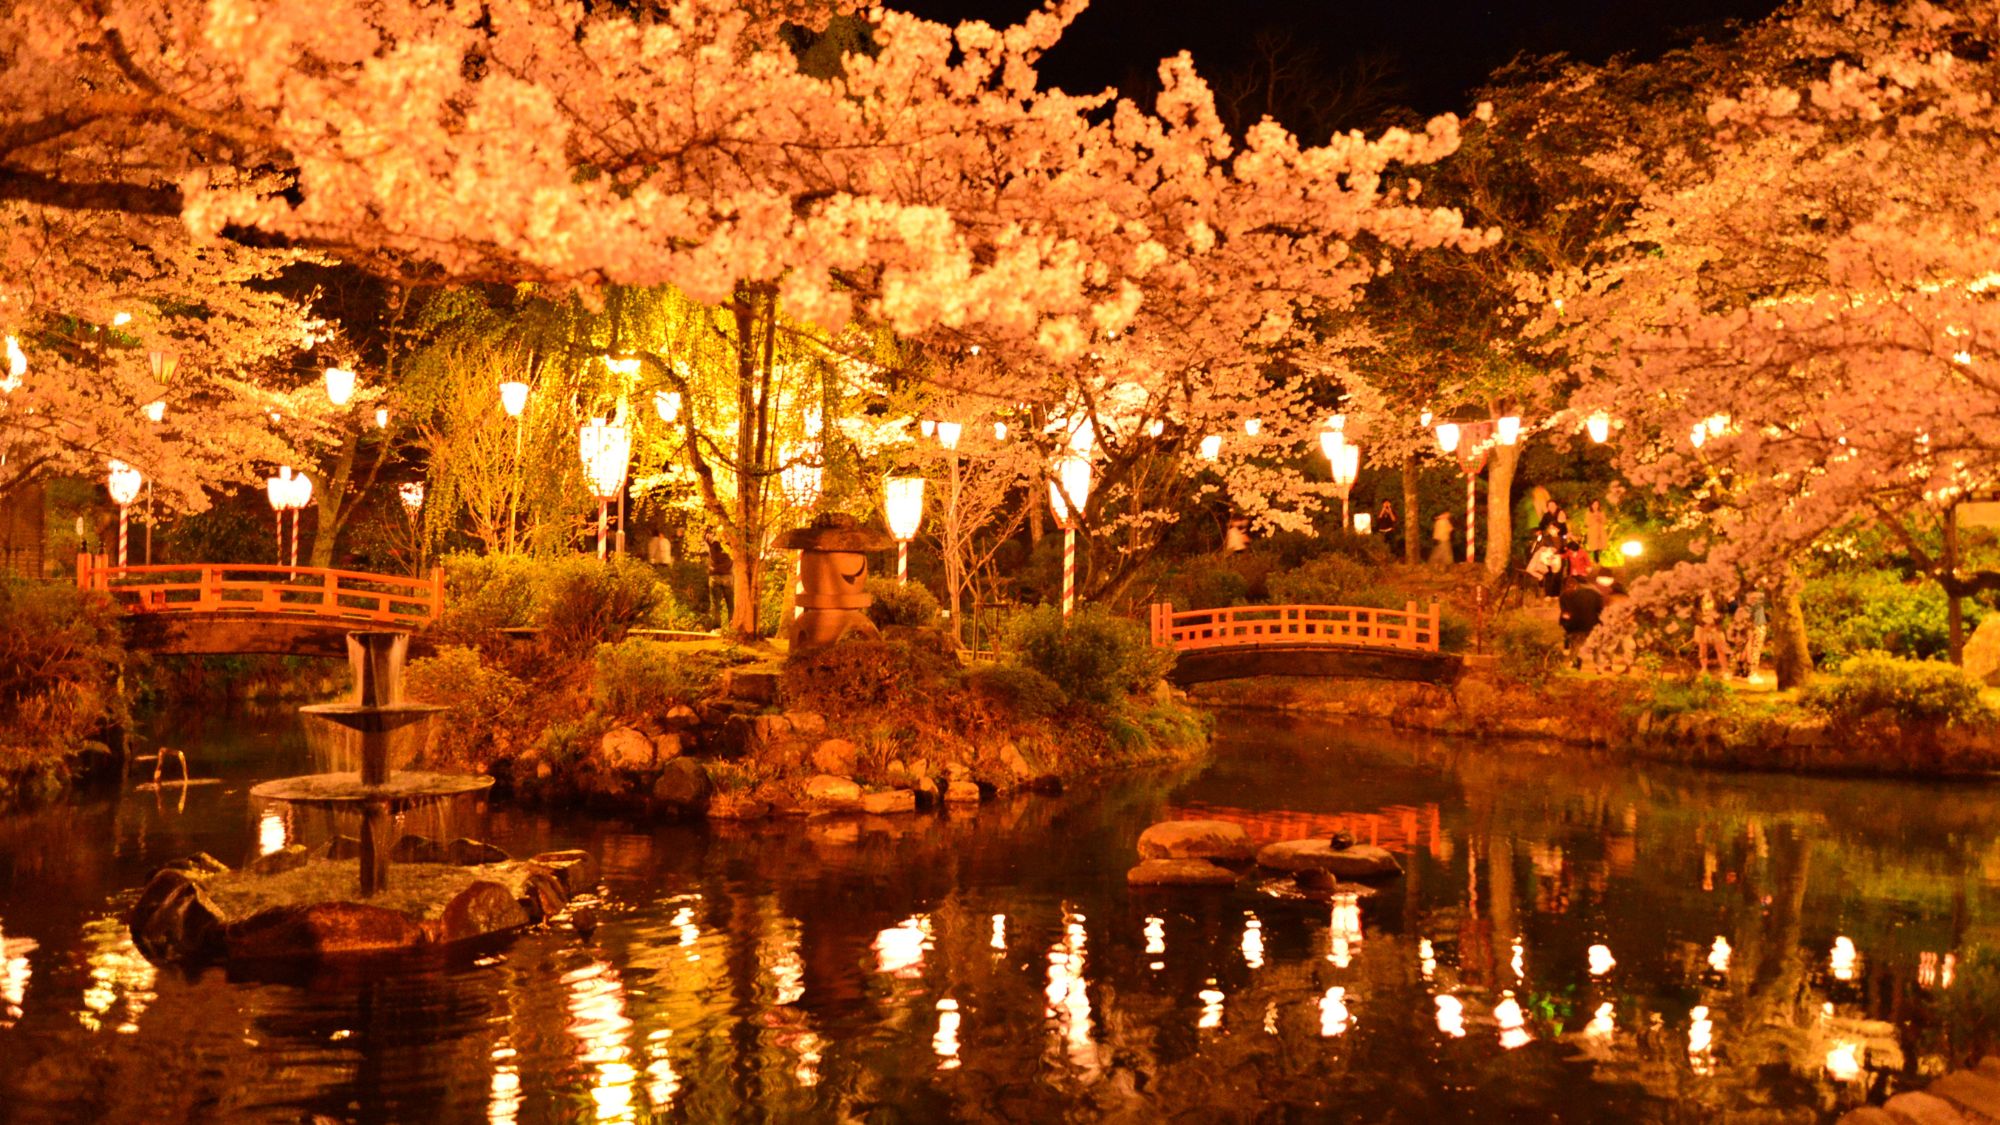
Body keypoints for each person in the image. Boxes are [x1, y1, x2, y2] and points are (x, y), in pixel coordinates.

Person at [1558, 573, 1607, 668]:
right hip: (1592, 623)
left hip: (1576, 625)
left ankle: (1576, 664)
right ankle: (1599, 666)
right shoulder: (1594, 593)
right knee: (1596, 645)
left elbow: (1565, 613)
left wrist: (1566, 625)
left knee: (1576, 645)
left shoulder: (1564, 596)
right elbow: (1600, 609)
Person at [1693, 592, 1729, 676]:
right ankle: (1704, 668)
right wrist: (1703, 622)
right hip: (1702, 626)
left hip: (1715, 627)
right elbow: (1695, 612)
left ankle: (1725, 670)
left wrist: (1714, 621)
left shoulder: (1718, 597)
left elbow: (1723, 612)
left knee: (1720, 649)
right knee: (1702, 649)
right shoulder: (1698, 597)